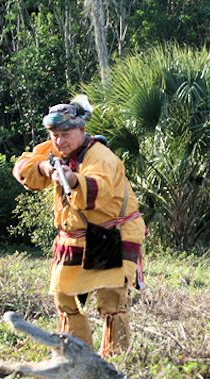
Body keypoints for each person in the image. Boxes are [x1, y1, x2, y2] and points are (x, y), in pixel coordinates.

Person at [12, 95, 146, 357]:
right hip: (73, 237)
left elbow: (99, 191)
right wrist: (44, 167)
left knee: (111, 302)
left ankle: (117, 361)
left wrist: (73, 180)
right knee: (65, 297)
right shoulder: (56, 150)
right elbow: (22, 167)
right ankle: (76, 356)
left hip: (106, 234)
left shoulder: (101, 157)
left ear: (82, 131)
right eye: (54, 134)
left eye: (65, 133)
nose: (59, 140)